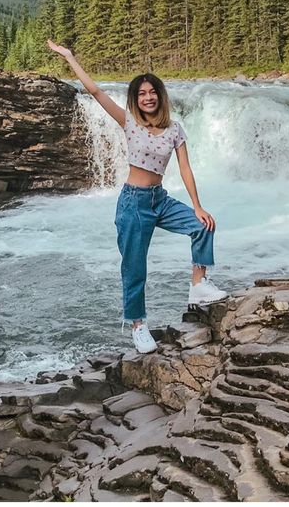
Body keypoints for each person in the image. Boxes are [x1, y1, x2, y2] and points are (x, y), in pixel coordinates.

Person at [48, 40, 227, 354]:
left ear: (160, 96)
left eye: (152, 92)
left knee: (203, 226)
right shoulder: (128, 122)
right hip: (133, 202)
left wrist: (197, 205)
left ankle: (198, 285)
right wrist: (69, 57)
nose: (148, 97)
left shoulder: (175, 129)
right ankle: (138, 325)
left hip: (161, 200)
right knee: (135, 267)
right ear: (136, 98)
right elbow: (96, 92)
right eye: (142, 93)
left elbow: (186, 169)